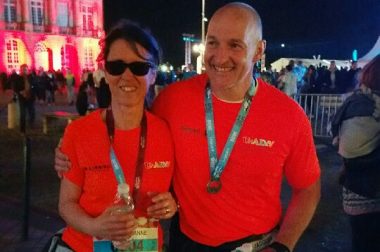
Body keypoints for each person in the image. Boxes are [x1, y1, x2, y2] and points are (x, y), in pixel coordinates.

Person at [55, 3, 321, 251]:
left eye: (235, 45)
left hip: (255, 244)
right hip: (186, 243)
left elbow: (308, 188)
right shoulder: (172, 100)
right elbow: (131, 133)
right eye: (213, 43)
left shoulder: (289, 115)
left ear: (259, 50)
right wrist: (70, 152)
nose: (220, 56)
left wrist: (283, 245)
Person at [55, 20, 177, 252]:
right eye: (116, 66)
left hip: (145, 247)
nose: (127, 76)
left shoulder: (167, 131)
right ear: (106, 72)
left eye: (139, 68)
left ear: (153, 74)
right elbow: (66, 204)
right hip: (85, 246)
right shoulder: (79, 131)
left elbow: (177, 193)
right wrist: (95, 226)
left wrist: (171, 205)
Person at [331, 55, 380, 252]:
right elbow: (355, 152)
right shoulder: (368, 106)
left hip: (355, 191)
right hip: (369, 192)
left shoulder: (355, 101)